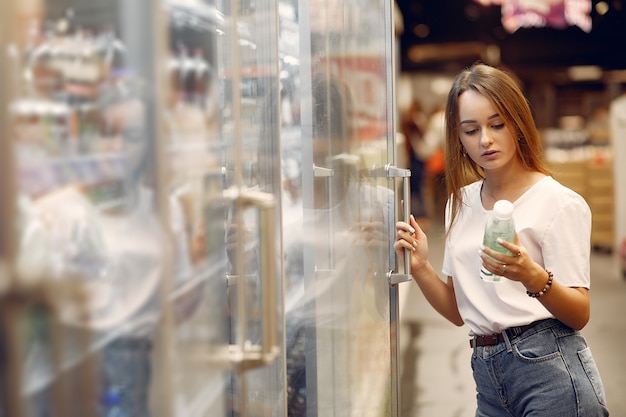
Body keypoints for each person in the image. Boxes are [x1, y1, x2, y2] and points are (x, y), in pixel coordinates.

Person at [394, 63, 609, 416]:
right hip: (487, 377)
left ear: (519, 123)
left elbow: (579, 314)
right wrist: (419, 266)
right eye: (471, 129)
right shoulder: (459, 202)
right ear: (458, 137)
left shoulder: (559, 202)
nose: (485, 140)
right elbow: (457, 311)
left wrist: (531, 275)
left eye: (497, 124)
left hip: (550, 370)